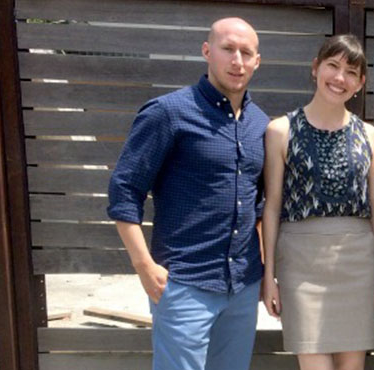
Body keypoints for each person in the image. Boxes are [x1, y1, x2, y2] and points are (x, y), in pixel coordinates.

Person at [107, 17, 266, 370]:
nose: (237, 61)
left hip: (241, 285)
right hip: (184, 283)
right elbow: (124, 190)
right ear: (207, 52)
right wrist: (144, 266)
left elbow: (258, 205)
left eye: (246, 52)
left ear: (257, 61)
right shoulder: (169, 112)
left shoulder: (261, 125)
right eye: (228, 49)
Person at [260, 34, 374, 370]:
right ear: (315, 68)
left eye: (351, 71)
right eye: (332, 66)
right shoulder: (280, 130)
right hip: (300, 265)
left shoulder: (370, 135)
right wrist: (269, 274)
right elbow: (272, 206)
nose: (339, 78)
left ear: (360, 83)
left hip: (358, 264)